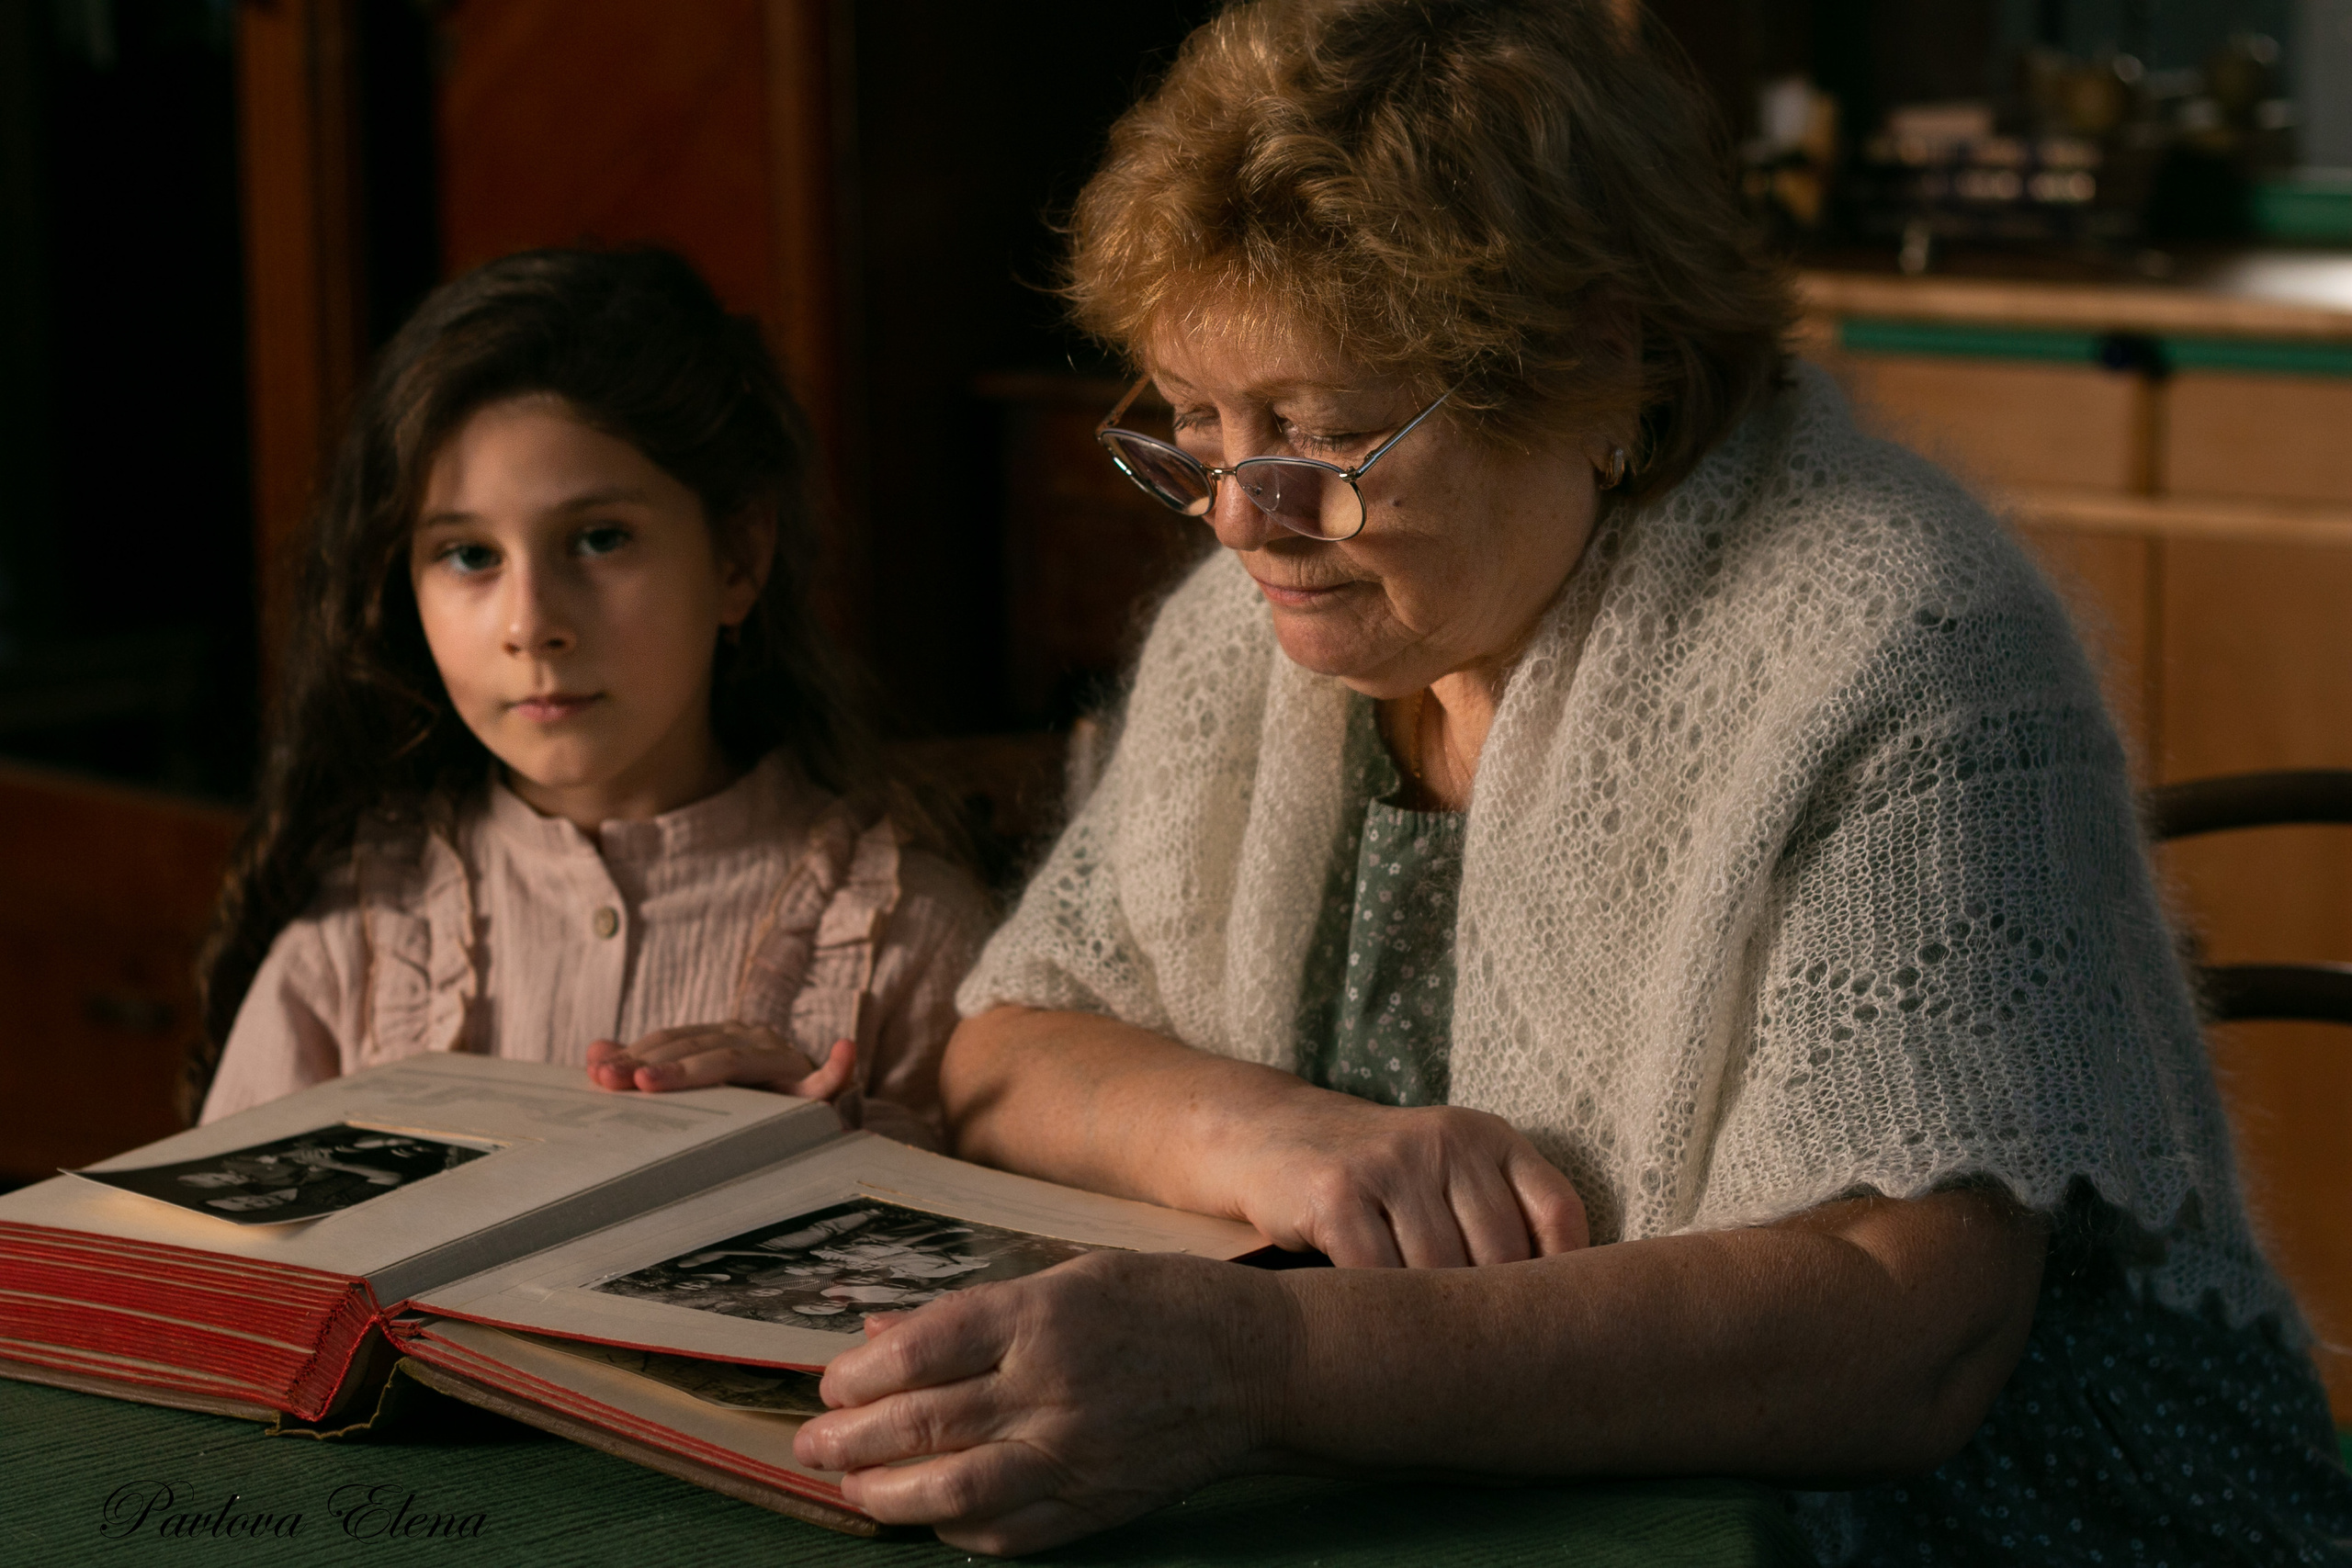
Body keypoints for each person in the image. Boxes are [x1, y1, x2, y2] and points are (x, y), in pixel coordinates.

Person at [787, 3, 2352, 1561]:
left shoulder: (1899, 641)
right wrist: (1282, 1138)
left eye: (1320, 433)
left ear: (1597, 369)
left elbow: (1907, 1327)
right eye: (1196, 429)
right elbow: (1005, 1050)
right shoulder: (1261, 631)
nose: (1238, 519)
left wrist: (1255, 1363)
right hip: (1463, 1481)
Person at [192, 248, 990, 1148]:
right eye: (469, 555)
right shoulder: (362, 938)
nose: (530, 624)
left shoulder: (906, 938)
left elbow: (1014, 1266)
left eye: (600, 539)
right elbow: (213, 1272)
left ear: (737, 558)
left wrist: (829, 1158)